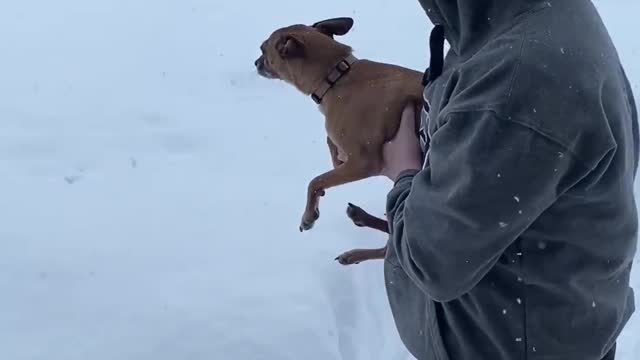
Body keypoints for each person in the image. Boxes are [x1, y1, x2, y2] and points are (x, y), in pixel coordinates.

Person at [379, 0, 639, 359]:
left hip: (509, 346)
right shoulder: (518, 20)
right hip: (557, 325)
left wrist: (403, 170)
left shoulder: (520, 77)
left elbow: (430, 259)